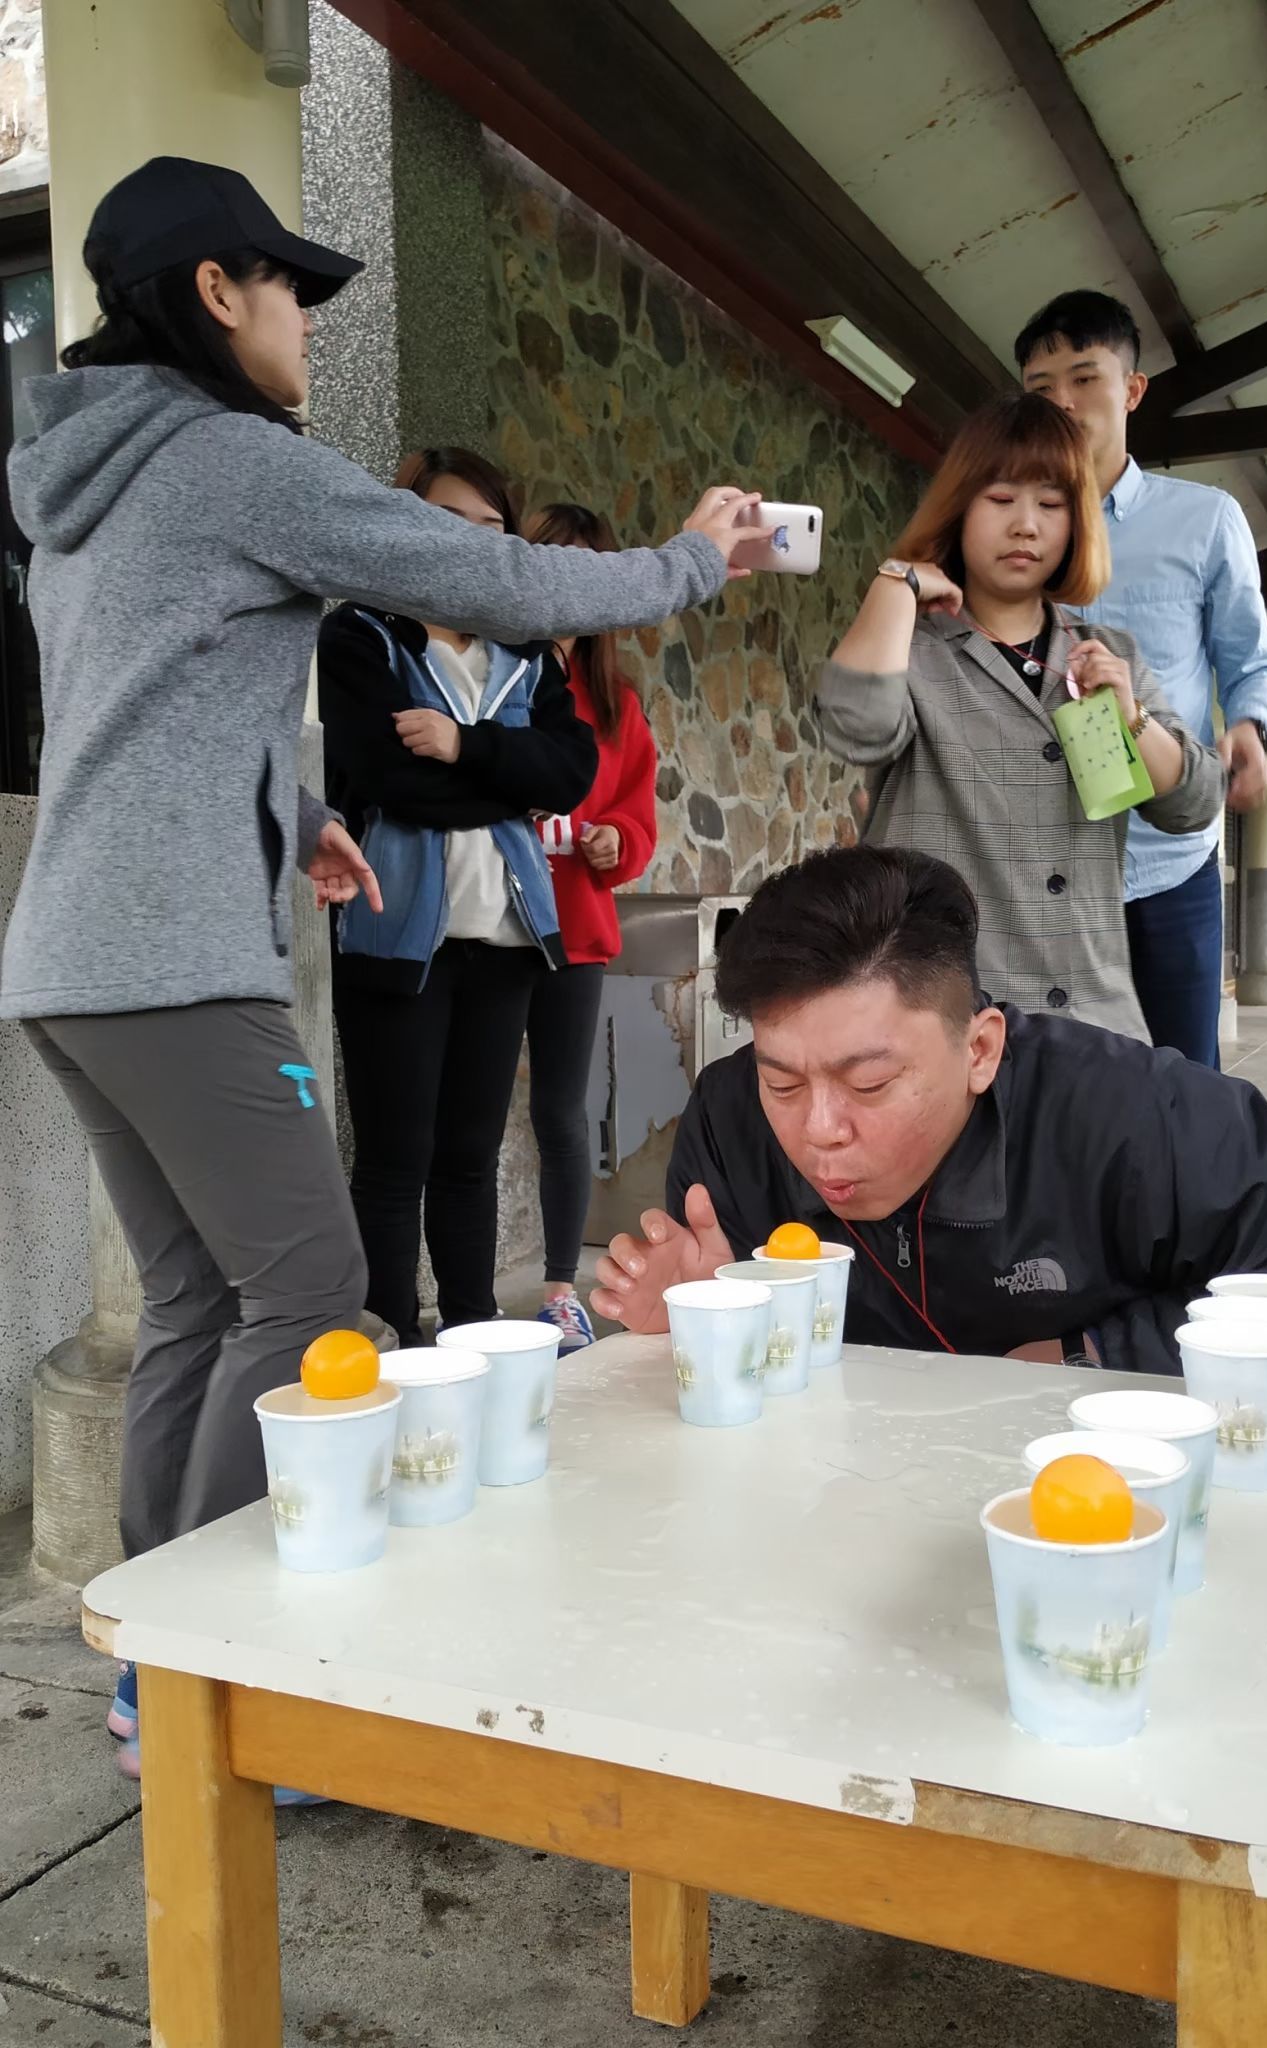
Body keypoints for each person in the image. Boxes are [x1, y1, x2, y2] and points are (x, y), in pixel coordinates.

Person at [1, 155, 767, 1775]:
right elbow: (488, 577)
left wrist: (298, 821)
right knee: (304, 1291)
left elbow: (130, 709)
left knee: (199, 1300)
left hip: (72, 955)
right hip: (172, 959)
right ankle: (211, 1668)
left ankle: (154, 1651)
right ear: (216, 292)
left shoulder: (89, 489)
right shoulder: (225, 454)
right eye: (289, 289)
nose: (306, 322)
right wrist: (692, 558)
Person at [592, 846, 1267, 1373]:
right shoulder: (731, 1120)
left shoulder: (1127, 1114)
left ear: (980, 1049)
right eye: (784, 1084)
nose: (820, 1131)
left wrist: (1087, 1356)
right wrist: (707, 1319)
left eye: (869, 1084)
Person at [816, 390, 1222, 1040]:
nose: (1026, 525)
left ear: (1077, 524)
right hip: (937, 1019)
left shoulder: (1108, 655)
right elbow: (854, 727)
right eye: (1001, 499)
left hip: (1089, 1021)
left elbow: (1193, 805)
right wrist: (897, 584)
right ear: (960, 509)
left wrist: (1132, 718)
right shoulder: (913, 650)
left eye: (1051, 504)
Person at [318, 451, 602, 1348]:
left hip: (507, 939)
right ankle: (393, 1346)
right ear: (405, 521)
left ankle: (475, 1338)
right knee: (395, 1162)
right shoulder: (362, 636)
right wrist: (513, 783)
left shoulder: (525, 650)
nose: (472, 542)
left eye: (491, 527)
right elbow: (385, 780)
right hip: (394, 939)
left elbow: (574, 772)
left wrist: (464, 746)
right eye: (448, 520)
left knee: (471, 1160)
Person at [1015, 290, 1267, 1068]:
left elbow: (1251, 656)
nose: (1064, 404)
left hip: (1167, 862)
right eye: (1041, 389)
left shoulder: (1204, 519)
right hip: (1036, 867)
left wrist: (1250, 727)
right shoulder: (1007, 528)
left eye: (1084, 378)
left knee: (1182, 1086)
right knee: (1046, 1086)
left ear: (1132, 389)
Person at [520, 502, 661, 1352]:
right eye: (553, 558)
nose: (571, 582)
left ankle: (558, 1291)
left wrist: (614, 841)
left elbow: (638, 822)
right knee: (462, 1127)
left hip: (573, 929)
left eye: (589, 566)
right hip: (481, 929)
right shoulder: (488, 672)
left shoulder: (615, 704)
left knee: (561, 1113)